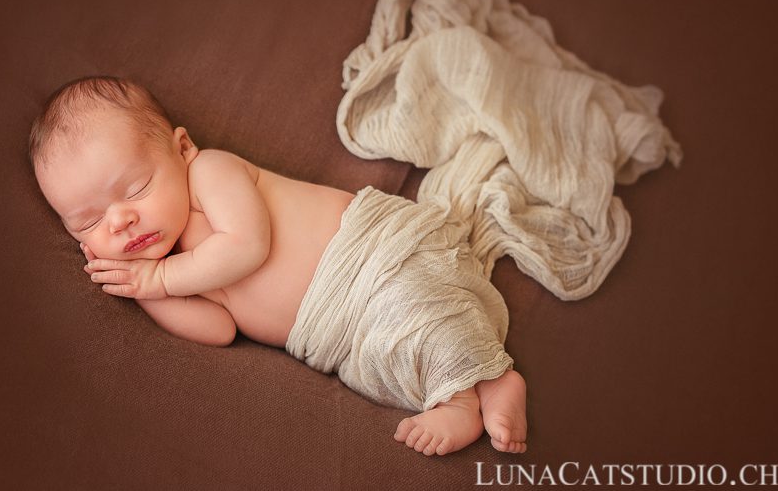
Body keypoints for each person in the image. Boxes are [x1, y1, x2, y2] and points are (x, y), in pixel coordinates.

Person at [30, 75, 527, 456]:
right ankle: (455, 395)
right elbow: (219, 329)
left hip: (370, 256)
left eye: (135, 188)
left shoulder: (208, 172)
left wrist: (160, 277)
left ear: (181, 149)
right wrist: (147, 293)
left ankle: (490, 381)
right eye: (88, 222)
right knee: (387, 356)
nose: (120, 221)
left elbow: (247, 245)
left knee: (417, 303)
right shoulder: (176, 270)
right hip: (336, 332)